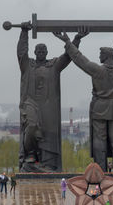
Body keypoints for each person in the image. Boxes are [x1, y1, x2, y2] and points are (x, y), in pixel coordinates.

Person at [56, 30, 113, 173]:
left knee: (100, 141)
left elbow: (79, 59)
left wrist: (68, 42)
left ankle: (100, 173)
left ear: (105, 56)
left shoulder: (98, 70)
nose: (99, 56)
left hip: (99, 108)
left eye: (100, 54)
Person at [17, 25, 85, 171]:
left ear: (46, 52)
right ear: (34, 52)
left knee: (48, 135)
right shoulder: (27, 65)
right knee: (31, 127)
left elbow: (68, 56)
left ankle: (46, 163)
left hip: (48, 107)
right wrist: (24, 33)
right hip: (30, 103)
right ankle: (30, 154)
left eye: (43, 51)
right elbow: (21, 53)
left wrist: (76, 39)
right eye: (38, 51)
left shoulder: (53, 65)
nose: (41, 53)